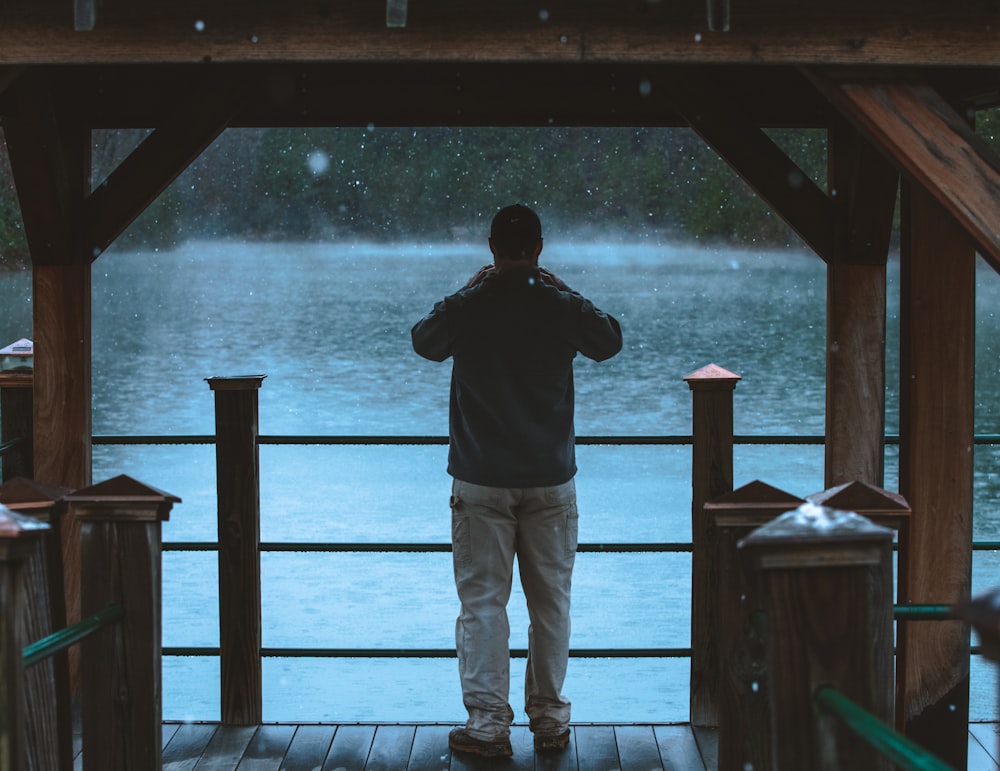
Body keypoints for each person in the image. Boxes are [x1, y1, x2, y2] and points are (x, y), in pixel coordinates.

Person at [410, 204, 623, 757]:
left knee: (483, 604)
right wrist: (562, 288)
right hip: (550, 478)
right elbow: (608, 341)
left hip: (481, 478)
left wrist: (469, 288)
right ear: (540, 248)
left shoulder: (471, 306)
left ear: (490, 248)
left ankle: (487, 726)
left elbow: (425, 340)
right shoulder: (558, 305)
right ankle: (549, 722)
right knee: (551, 603)